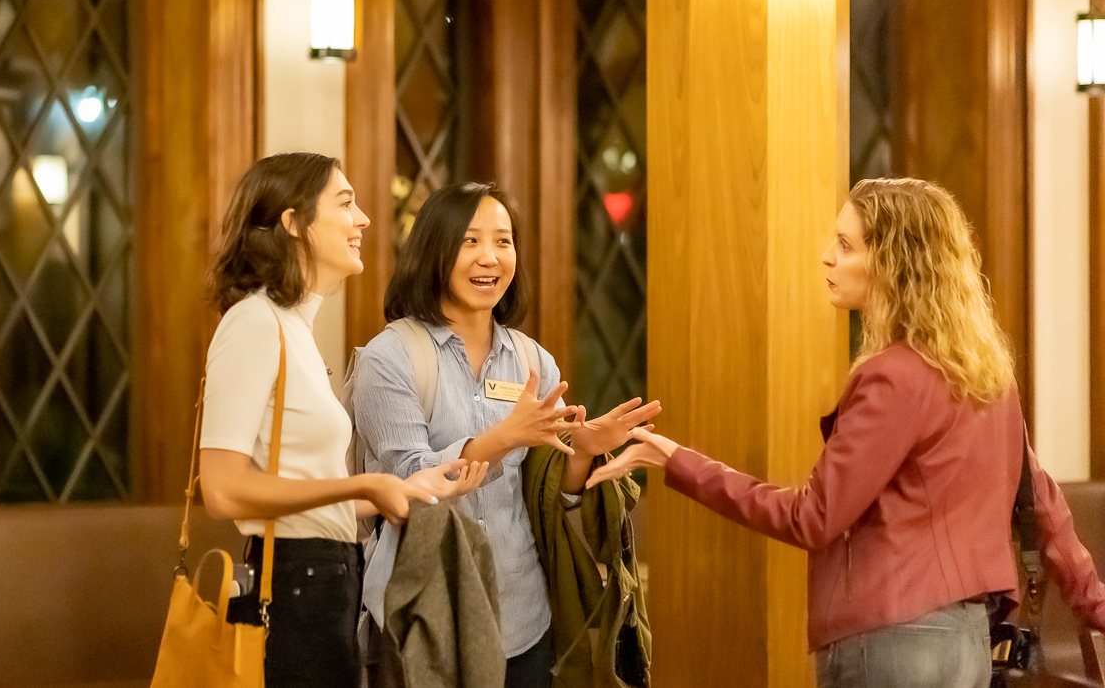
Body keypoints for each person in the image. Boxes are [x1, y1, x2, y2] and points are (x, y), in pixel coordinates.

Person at [588, 177, 1105, 688]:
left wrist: (678, 461)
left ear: (892, 262)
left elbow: (812, 517)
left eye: (845, 245)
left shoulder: (892, 376)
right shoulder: (989, 377)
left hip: (892, 644)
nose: (826, 257)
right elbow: (1045, 506)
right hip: (967, 643)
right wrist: (1096, 606)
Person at [352, 181, 659, 688]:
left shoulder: (532, 359)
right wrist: (506, 437)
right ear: (434, 249)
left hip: (522, 619)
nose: (489, 258)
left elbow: (552, 497)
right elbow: (409, 483)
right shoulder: (389, 358)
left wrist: (582, 453)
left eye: (503, 240)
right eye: (470, 241)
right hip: (423, 617)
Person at [197, 152, 484, 688]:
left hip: (324, 577)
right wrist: (364, 482)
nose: (364, 220)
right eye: (345, 203)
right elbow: (224, 490)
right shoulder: (255, 323)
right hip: (292, 582)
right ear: (292, 223)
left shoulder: (292, 329)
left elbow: (305, 495)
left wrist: (390, 492)